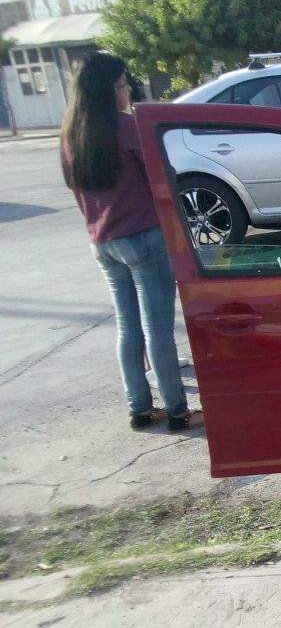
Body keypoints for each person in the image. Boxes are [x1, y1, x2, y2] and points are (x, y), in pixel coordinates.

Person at [60, 52, 198, 432]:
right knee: (158, 329)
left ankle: (139, 408)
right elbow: (161, 178)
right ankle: (177, 410)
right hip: (144, 238)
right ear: (108, 90)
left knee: (128, 327)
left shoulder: (71, 134)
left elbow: (75, 190)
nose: (128, 92)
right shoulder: (127, 127)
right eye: (124, 85)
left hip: (102, 242)